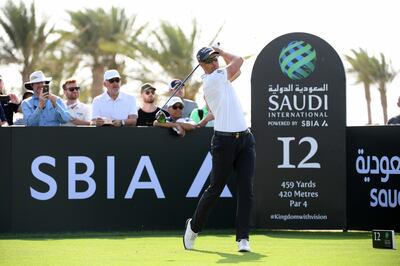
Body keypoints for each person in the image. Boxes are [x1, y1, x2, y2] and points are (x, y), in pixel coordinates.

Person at [183, 45, 256, 252]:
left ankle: (243, 238)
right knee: (215, 189)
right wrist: (222, 51)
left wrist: (219, 56)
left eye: (216, 59)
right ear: (201, 66)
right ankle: (194, 227)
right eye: (210, 61)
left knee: (246, 190)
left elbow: (236, 71)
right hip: (224, 142)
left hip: (245, 139)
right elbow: (239, 61)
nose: (215, 63)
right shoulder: (213, 80)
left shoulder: (220, 77)